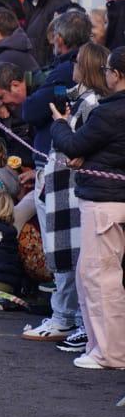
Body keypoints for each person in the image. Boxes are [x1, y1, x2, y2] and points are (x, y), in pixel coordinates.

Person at [47, 46, 125, 370]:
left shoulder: (111, 111)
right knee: (92, 276)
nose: (105, 74)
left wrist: (61, 124)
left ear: (116, 75)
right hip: (109, 198)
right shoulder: (111, 111)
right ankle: (100, 347)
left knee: (100, 279)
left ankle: (109, 353)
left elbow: (74, 144)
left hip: (105, 202)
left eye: (108, 69)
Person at [19, 12, 94, 342]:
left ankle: (68, 317)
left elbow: (33, 109)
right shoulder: (72, 81)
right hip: (58, 172)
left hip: (64, 178)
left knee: (64, 247)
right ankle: (71, 317)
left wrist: (55, 117)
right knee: (65, 249)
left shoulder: (73, 83)